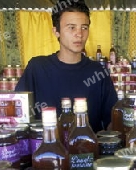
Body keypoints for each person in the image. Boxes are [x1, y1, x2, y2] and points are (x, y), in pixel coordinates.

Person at [15, 0, 117, 132]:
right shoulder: (37, 68)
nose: (79, 34)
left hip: (87, 149)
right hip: (46, 149)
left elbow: (112, 121)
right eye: (71, 27)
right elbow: (19, 115)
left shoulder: (98, 72)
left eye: (84, 27)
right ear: (56, 31)